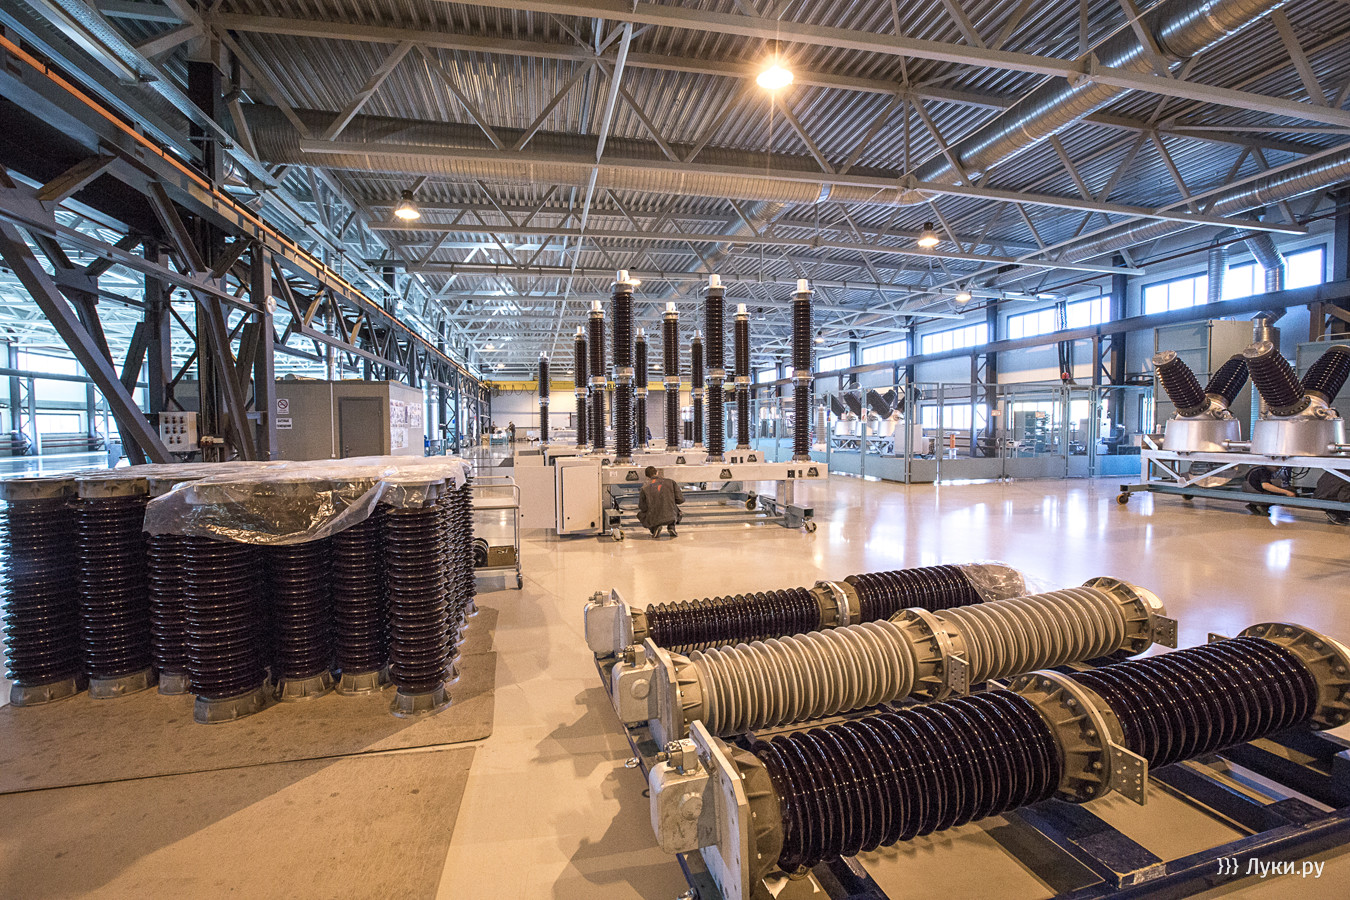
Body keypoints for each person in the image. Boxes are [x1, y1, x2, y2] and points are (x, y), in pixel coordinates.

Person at [637, 465, 683, 538]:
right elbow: (680, 500)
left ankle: (655, 528)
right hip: (671, 515)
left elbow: (642, 507)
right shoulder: (671, 482)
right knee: (676, 509)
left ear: (647, 476)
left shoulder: (644, 488)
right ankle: (671, 526)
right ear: (657, 472)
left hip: (654, 517)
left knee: (640, 514)